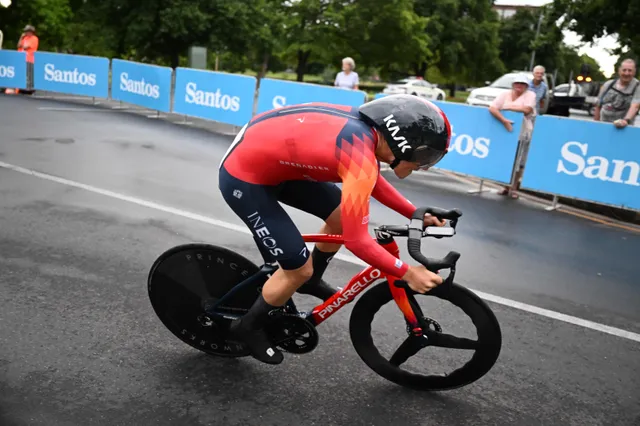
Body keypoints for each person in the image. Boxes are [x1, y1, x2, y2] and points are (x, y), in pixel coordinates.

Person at [219, 95, 452, 364]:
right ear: (403, 142)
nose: (423, 165)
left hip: (274, 162)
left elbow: (370, 180)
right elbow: (357, 241)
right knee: (297, 268)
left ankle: (311, 280)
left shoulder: (368, 134)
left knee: (341, 217)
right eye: (424, 156)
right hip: (244, 177)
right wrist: (407, 272)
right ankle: (246, 327)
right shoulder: (359, 156)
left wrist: (415, 213)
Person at [489, 73, 537, 199]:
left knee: (520, 161)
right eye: (517, 83)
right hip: (507, 130)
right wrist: (504, 119)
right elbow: (493, 108)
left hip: (523, 132)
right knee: (508, 159)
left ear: (526, 86)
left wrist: (507, 107)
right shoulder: (505, 94)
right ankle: (506, 185)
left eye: (522, 84)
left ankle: (514, 187)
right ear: (513, 84)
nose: (519, 86)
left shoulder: (530, 95)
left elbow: (527, 110)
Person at [594, 59, 640, 128]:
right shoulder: (608, 84)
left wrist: (625, 120)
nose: (626, 73)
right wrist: (596, 125)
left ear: (634, 72)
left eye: (630, 70)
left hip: (623, 129)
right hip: (604, 125)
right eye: (624, 70)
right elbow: (598, 105)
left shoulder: (637, 86)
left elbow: (635, 106)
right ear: (619, 70)